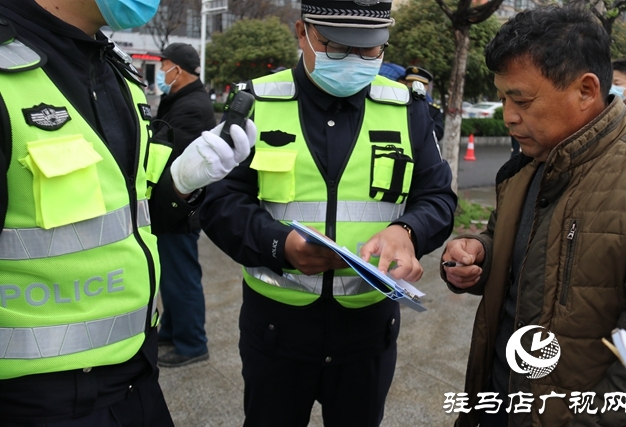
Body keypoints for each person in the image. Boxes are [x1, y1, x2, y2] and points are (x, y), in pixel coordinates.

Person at [200, 0, 457, 426]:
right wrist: (278, 244)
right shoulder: (256, 102)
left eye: (370, 50)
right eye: (337, 47)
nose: (354, 60)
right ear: (302, 32)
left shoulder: (406, 107)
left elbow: (438, 197)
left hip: (367, 331)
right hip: (277, 330)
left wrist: (407, 231)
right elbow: (221, 200)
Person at [0, 0, 255, 425]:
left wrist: (182, 182)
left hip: (136, 375)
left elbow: (131, 212)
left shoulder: (115, 69)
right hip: (36, 398)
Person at [441, 5, 626, 426]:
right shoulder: (528, 164)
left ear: (585, 90)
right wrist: (479, 254)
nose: (508, 115)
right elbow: (518, 251)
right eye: (503, 98)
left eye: (522, 100)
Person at [152, 43, 216, 367]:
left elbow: (169, 151)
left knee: (181, 276)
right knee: (170, 274)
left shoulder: (192, 105)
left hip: (181, 203)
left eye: (163, 66)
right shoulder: (177, 98)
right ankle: (173, 331)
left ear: (177, 69)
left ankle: (192, 343)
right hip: (169, 203)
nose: (161, 73)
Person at [402, 66, 444, 141]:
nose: (413, 87)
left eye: (419, 84)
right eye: (410, 83)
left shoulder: (433, 110)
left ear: (426, 87)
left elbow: (438, 133)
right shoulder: (398, 105)